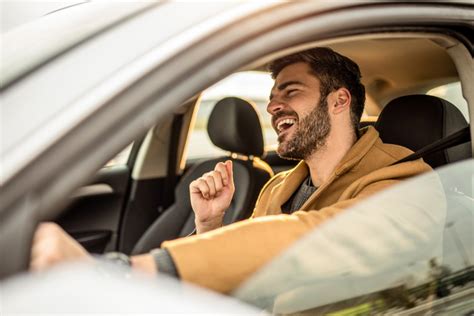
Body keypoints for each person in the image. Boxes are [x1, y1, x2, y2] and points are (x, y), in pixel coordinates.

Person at [30, 47, 431, 294]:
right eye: (273, 97)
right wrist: (211, 223)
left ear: (339, 101)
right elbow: (252, 273)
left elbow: (313, 243)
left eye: (291, 91)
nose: (273, 106)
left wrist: (131, 271)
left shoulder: (407, 179)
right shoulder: (277, 188)